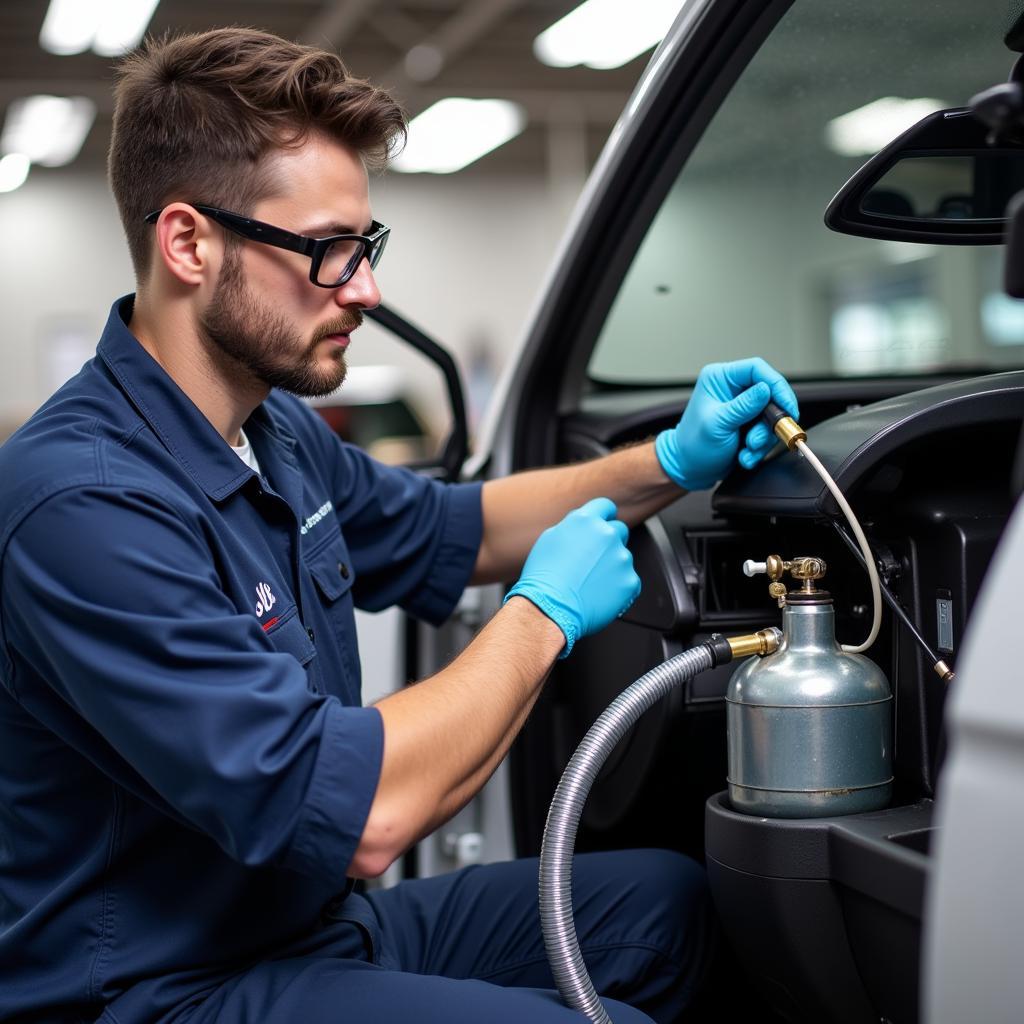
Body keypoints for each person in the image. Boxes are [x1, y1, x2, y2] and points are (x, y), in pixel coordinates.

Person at [0, 27, 799, 1024]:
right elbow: (364, 815)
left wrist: (669, 464)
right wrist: (541, 614)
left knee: (667, 906)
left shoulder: (271, 428)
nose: (366, 290)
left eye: (364, 248)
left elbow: (454, 527)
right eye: (328, 251)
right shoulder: (84, 502)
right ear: (189, 243)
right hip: (161, 989)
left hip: (307, 928)